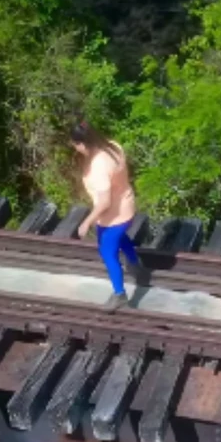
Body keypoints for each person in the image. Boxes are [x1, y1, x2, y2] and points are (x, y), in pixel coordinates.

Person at [70, 120, 145, 313]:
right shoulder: (113, 147)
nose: (76, 149)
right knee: (121, 238)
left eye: (76, 146)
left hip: (112, 216)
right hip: (126, 207)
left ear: (82, 144)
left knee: (108, 253)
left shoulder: (98, 168)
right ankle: (135, 264)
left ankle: (119, 294)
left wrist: (87, 222)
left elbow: (104, 202)